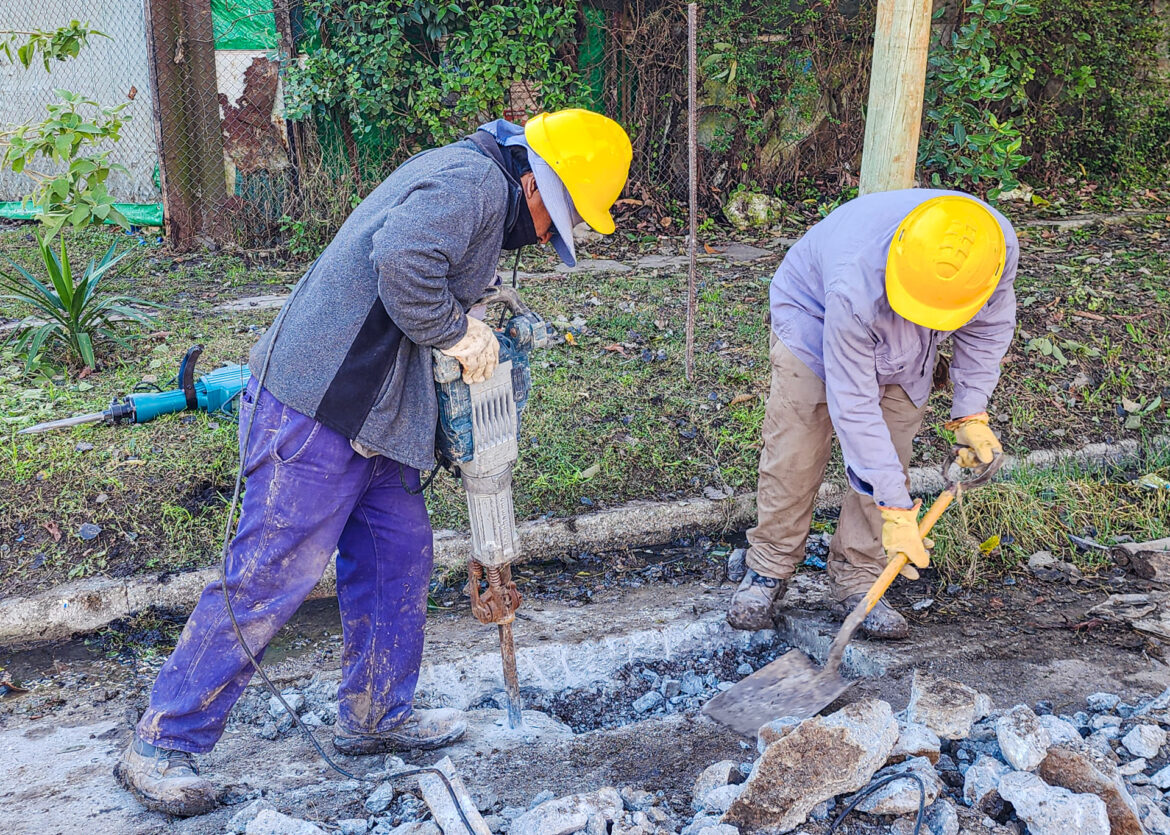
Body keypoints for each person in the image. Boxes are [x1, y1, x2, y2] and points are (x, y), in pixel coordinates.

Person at [114, 109, 633, 817]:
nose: (546, 239)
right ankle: (161, 737)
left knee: (398, 553)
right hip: (318, 406)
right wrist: (457, 331)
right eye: (557, 223)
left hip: (381, 418)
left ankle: (373, 715)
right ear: (544, 187)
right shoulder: (473, 185)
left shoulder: (479, 184)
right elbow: (403, 261)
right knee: (272, 570)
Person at [727, 190, 1018, 639]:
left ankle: (860, 579)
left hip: (913, 345)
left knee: (892, 455)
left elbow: (988, 327)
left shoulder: (993, 245)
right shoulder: (854, 281)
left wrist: (970, 412)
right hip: (816, 319)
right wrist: (897, 511)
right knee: (796, 450)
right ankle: (769, 566)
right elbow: (855, 406)